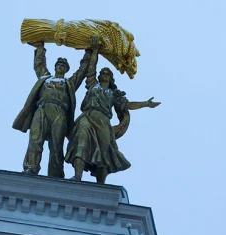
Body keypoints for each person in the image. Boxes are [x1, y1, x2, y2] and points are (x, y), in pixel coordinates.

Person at [65, 39, 160, 184]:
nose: (104, 74)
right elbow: (92, 68)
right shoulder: (92, 85)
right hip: (87, 116)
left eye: (107, 73)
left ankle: (101, 184)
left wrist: (146, 104)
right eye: (102, 73)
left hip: (103, 121)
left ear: (110, 78)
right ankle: (77, 175)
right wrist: (95, 50)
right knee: (81, 142)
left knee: (105, 152)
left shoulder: (113, 94)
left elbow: (127, 105)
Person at [12, 38, 95, 178]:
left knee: (56, 145)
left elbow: (81, 72)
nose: (60, 67)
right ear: (55, 67)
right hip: (42, 109)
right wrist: (40, 48)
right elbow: (39, 65)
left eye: (63, 65)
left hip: (59, 112)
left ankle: (55, 174)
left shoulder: (68, 83)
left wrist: (88, 52)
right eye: (59, 65)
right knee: (35, 140)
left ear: (66, 69)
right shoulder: (46, 78)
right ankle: (31, 167)